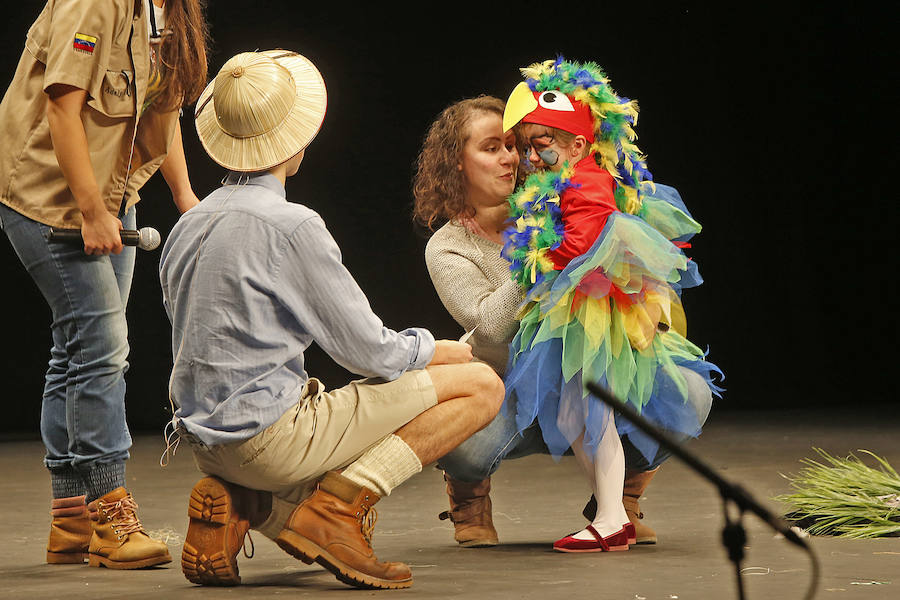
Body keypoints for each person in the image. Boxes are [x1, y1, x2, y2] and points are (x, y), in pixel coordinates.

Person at [159, 49, 504, 591]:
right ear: (296, 141)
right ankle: (336, 510)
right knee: (480, 385)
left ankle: (248, 500)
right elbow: (373, 354)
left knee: (323, 418)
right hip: (266, 438)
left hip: (205, 442)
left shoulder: (189, 223)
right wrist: (444, 350)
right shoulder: (292, 225)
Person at [414, 88, 717, 548]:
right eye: (491, 148)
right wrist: (539, 250)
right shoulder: (451, 246)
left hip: (588, 371)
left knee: (689, 395)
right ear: (457, 161)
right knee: (460, 442)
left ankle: (618, 504)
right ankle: (469, 495)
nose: (510, 158)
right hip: (513, 385)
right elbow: (491, 326)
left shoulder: (558, 195)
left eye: (513, 145)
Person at [0, 0, 208, 568]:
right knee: (101, 350)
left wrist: (186, 199)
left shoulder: (165, 13)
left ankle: (71, 520)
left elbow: (163, 112)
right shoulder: (92, 3)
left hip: (114, 195)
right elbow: (63, 109)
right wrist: (91, 212)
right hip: (51, 199)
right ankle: (110, 513)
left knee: (76, 349)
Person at [498, 57, 723, 552]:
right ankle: (611, 509)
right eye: (525, 147)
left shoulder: (588, 181)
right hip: (572, 310)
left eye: (543, 146)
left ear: (577, 144)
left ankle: (613, 517)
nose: (532, 159)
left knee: (592, 413)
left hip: (591, 312)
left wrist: (541, 250)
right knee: (569, 418)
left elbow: (585, 243)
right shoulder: (562, 181)